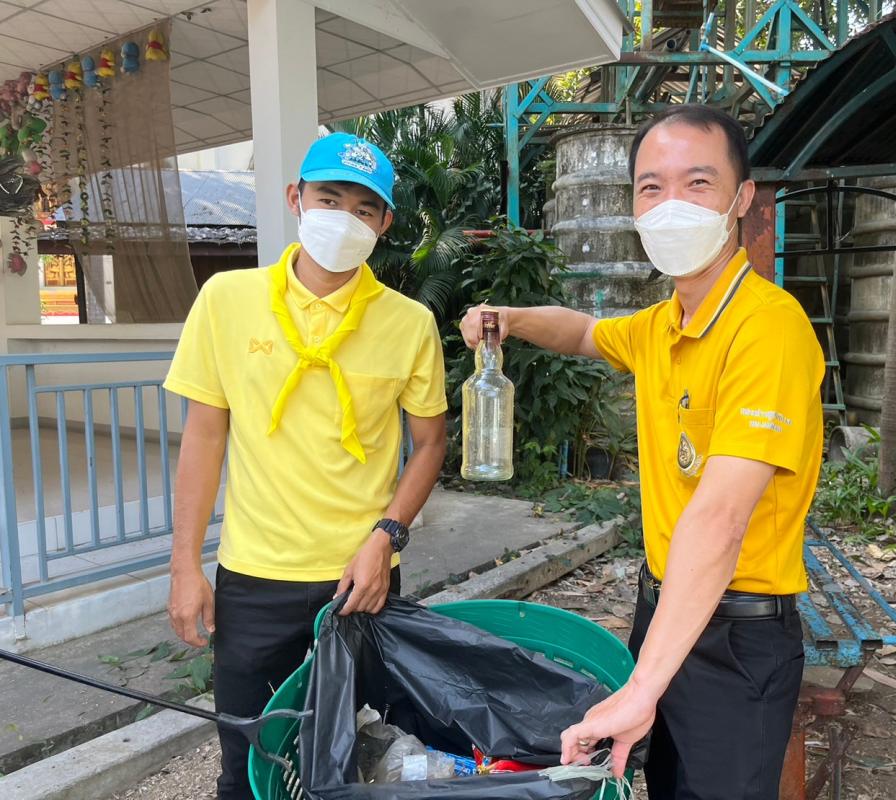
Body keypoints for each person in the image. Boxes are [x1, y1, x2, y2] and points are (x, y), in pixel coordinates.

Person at [459, 105, 824, 800]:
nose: (671, 205)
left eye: (698, 183)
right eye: (651, 187)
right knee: (666, 784)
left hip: (737, 635)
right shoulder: (661, 326)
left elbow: (720, 519)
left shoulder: (767, 329)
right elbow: (583, 333)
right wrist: (509, 319)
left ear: (742, 198)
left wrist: (641, 688)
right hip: (663, 611)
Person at [165, 133, 447, 799]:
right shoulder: (227, 299)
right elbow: (203, 436)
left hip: (361, 580)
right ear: (296, 198)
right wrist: (184, 565)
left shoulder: (409, 323)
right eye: (329, 198)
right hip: (253, 577)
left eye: (364, 208)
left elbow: (431, 442)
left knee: (353, 757)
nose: (345, 219)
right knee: (248, 761)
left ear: (384, 223)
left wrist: (387, 538)